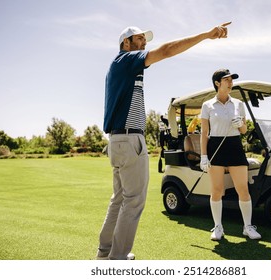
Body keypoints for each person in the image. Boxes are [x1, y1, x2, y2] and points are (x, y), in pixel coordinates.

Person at [97, 23, 232, 260]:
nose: (144, 44)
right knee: (133, 202)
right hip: (129, 139)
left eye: (144, 40)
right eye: (139, 39)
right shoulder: (126, 61)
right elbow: (167, 51)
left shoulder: (120, 68)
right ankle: (116, 261)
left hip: (117, 140)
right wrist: (206, 35)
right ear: (126, 44)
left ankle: (105, 252)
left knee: (118, 200)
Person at [200, 69, 261, 241]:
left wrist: (240, 124)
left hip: (234, 145)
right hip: (215, 147)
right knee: (217, 190)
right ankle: (218, 227)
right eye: (227, 79)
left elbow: (244, 130)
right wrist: (204, 156)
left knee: (242, 188)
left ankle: (247, 227)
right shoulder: (207, 105)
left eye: (231, 80)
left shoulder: (238, 104)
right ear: (217, 83)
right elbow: (204, 133)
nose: (230, 82)